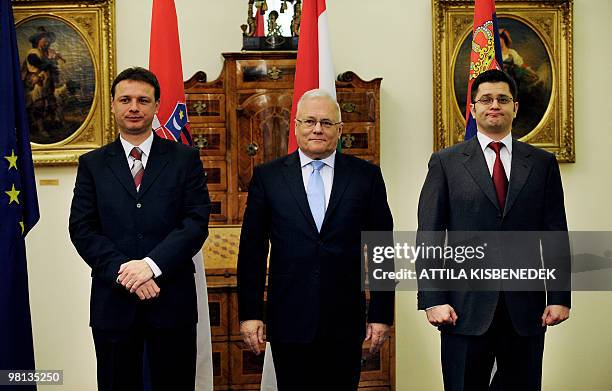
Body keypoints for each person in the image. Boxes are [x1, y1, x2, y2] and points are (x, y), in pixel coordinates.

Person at [417, 69, 570, 391]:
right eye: (486, 99)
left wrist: (559, 297)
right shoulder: (446, 162)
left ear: (515, 107)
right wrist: (432, 299)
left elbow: (555, 233)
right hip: (462, 308)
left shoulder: (542, 163)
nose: (494, 105)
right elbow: (430, 234)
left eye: (502, 99)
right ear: (472, 109)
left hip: (525, 309)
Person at [237, 89, 394, 390]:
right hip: (288, 320)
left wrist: (381, 315)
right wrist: (250, 314)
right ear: (295, 126)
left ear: (340, 129)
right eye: (309, 121)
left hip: (345, 321)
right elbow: (252, 251)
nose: (317, 129)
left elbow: (381, 249)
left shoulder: (366, 176)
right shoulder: (268, 177)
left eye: (326, 122)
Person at [69, 67, 211, 391]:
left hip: (171, 302)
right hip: (114, 306)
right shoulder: (92, 164)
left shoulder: (185, 159)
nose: (134, 107)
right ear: (114, 105)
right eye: (126, 99)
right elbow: (82, 228)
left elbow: (195, 222)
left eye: (143, 100)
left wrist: (150, 266)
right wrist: (127, 272)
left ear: (157, 106)